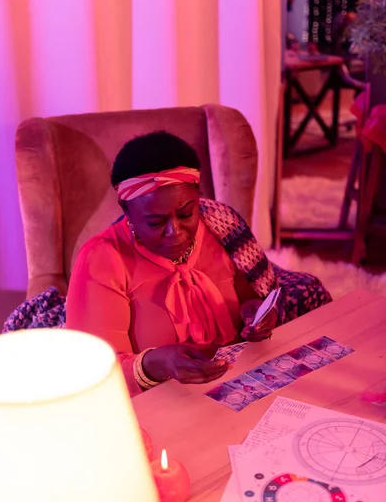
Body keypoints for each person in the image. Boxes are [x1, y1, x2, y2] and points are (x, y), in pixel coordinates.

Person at [66, 131, 330, 396]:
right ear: (127, 213)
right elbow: (94, 372)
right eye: (156, 222)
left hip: (239, 381)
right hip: (160, 400)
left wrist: (256, 316)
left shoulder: (222, 227)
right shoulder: (102, 259)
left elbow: (251, 296)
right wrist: (158, 364)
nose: (175, 231)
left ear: (199, 198)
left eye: (186, 213)